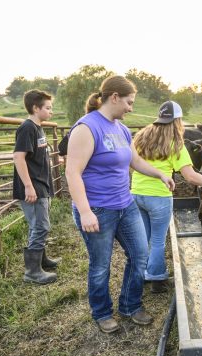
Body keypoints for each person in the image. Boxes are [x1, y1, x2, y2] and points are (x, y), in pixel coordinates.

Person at [65, 76, 175, 334]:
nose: (131, 108)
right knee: (100, 264)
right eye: (129, 102)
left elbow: (134, 161)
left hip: (125, 204)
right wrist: (85, 211)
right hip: (98, 209)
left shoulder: (121, 129)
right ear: (114, 97)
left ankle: (130, 305)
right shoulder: (86, 128)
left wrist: (159, 174)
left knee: (140, 254)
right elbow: (72, 173)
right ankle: (102, 312)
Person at [131, 101, 202, 293]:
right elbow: (191, 177)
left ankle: (142, 275)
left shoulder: (140, 137)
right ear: (177, 121)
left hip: (136, 194)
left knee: (144, 238)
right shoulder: (175, 144)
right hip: (158, 196)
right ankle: (157, 279)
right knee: (157, 240)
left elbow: (132, 163)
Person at [13, 89, 59, 285]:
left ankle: (41, 260)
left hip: (41, 184)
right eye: (48, 108)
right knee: (40, 226)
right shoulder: (27, 128)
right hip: (33, 186)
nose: (51, 111)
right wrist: (29, 187)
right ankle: (32, 272)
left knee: (38, 224)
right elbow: (18, 157)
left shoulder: (38, 127)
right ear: (35, 108)